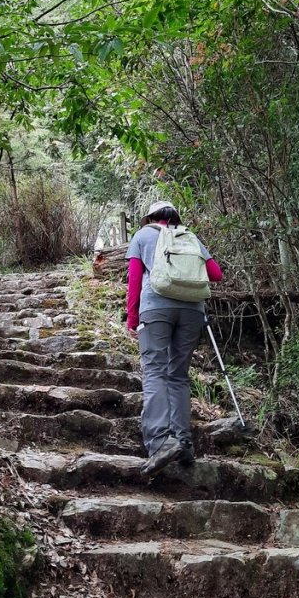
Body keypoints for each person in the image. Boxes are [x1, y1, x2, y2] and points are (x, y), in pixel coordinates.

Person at [126, 200, 223, 476]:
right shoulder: (189, 236)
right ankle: (184, 444)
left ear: (150, 217)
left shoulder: (143, 235)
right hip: (193, 311)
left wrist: (132, 318)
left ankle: (159, 442)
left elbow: (134, 279)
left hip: (156, 308)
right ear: (175, 218)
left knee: (154, 371)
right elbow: (216, 274)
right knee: (178, 375)